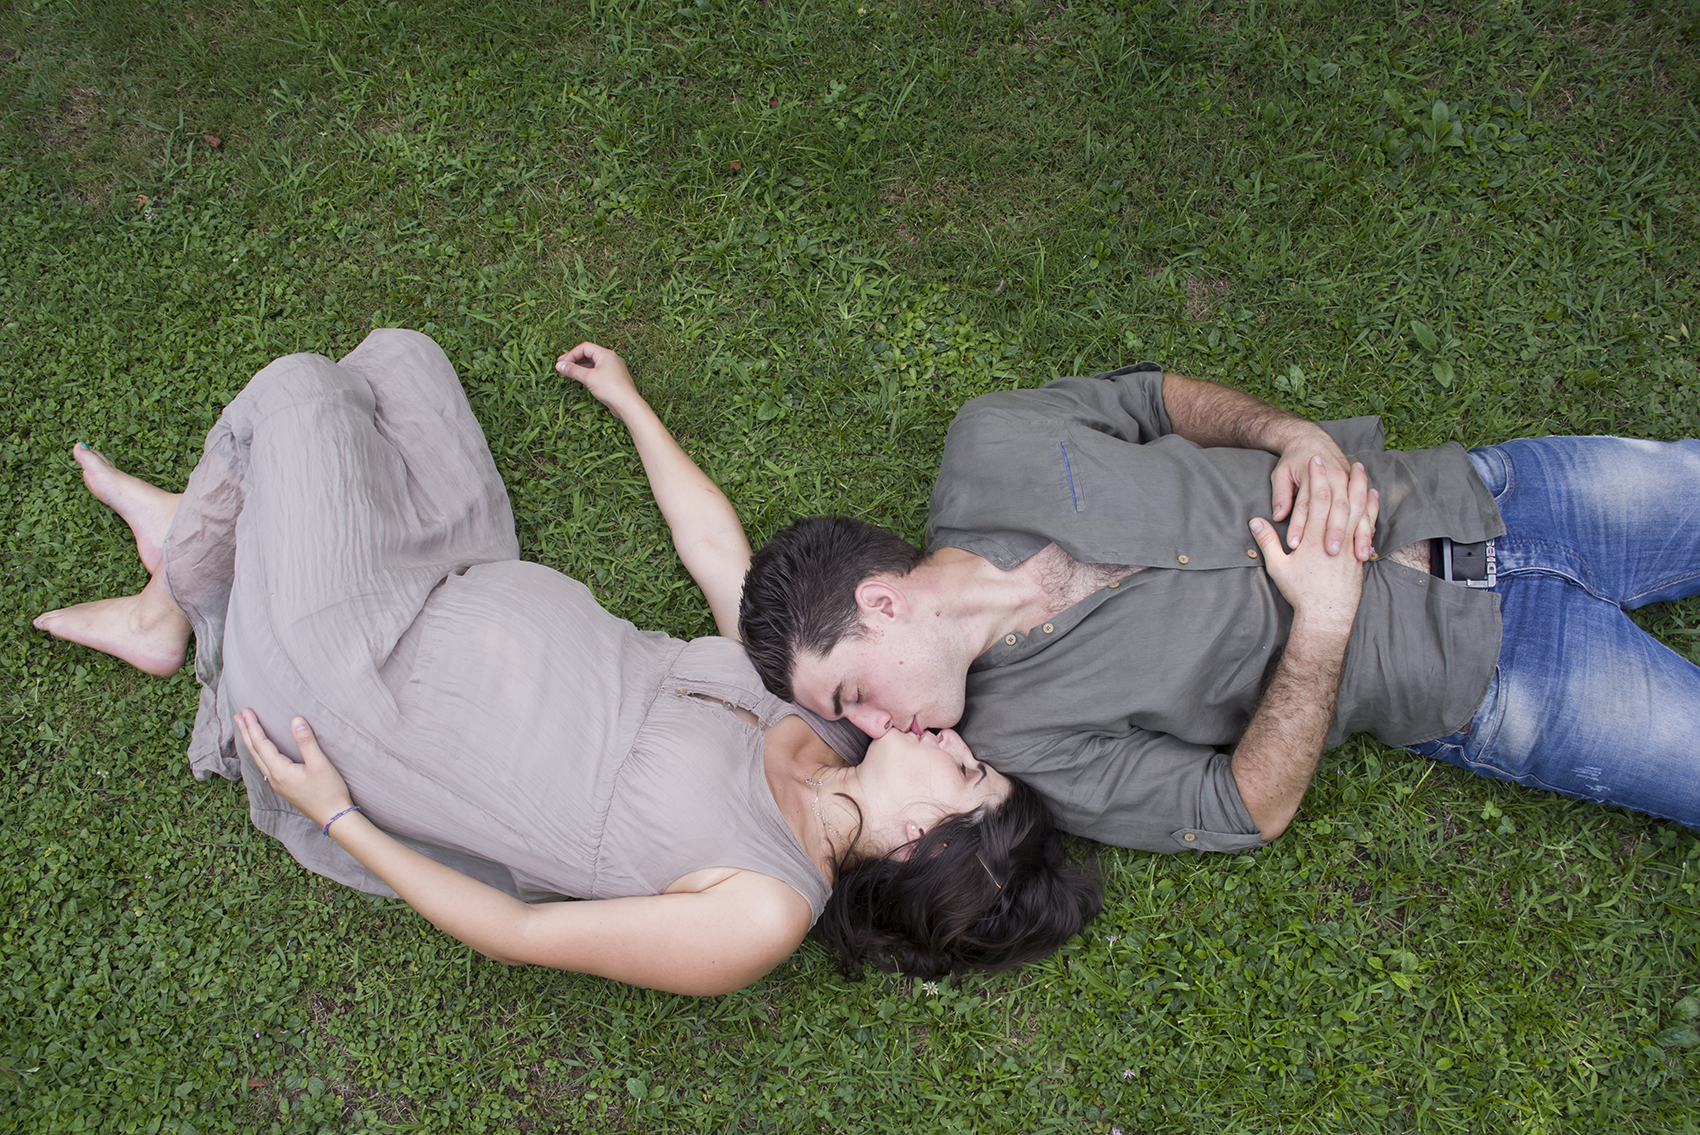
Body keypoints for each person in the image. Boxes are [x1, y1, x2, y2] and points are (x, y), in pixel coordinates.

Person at [31, 329, 1100, 995]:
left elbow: (516, 930)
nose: (953, 737)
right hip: (456, 574)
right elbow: (718, 557)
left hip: (363, 684)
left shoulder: (759, 912)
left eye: (963, 770)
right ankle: (211, 551)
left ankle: (169, 599)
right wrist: (631, 404)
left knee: (300, 391)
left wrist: (335, 814)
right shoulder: (832, 722)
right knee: (398, 360)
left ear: (918, 842)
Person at [738, 362, 1700, 853]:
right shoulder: (1022, 751)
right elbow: (1243, 808)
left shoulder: (991, 440)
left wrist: (1292, 435)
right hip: (1493, 674)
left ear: (882, 601)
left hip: (1493, 493)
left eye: (852, 691)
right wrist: (1323, 623)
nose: (871, 727)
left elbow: (1152, 399)